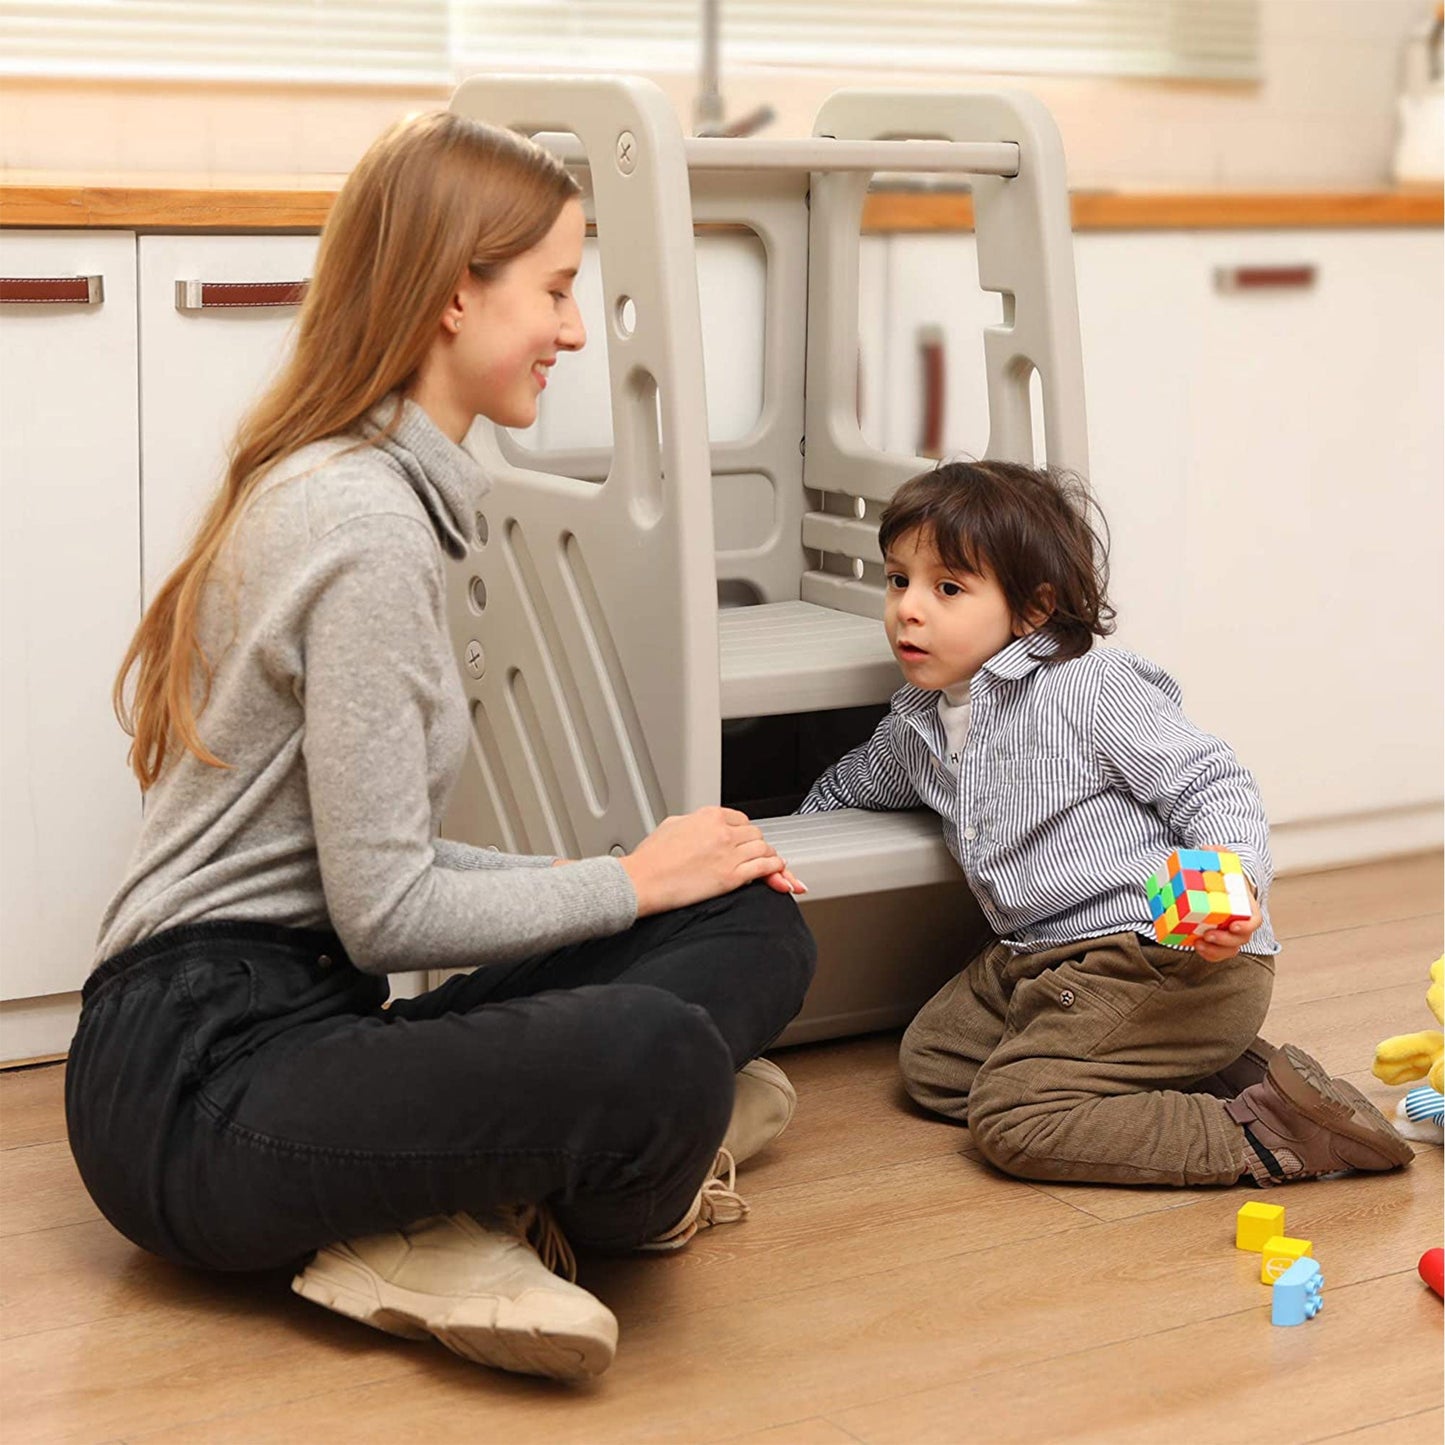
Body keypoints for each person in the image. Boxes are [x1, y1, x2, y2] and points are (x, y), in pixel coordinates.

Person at [65, 111, 816, 1384]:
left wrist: (656, 873)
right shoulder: (361, 522)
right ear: (456, 292)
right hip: (191, 1084)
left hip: (305, 1021)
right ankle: (476, 1202)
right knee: (660, 1054)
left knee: (754, 922)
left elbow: (378, 865)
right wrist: (631, 880)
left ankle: (460, 1195)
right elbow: (385, 912)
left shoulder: (374, 490)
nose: (575, 332)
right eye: (558, 291)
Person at [798, 459, 1412, 1191]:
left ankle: (1270, 1134)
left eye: (948, 588)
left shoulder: (1087, 684)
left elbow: (1210, 780)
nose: (908, 608)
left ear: (1031, 608)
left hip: (1164, 953)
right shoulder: (917, 728)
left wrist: (1233, 886)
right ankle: (1216, 1072)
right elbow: (848, 785)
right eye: (898, 580)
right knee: (932, 1062)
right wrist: (774, 843)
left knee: (1013, 1115)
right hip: (1039, 954)